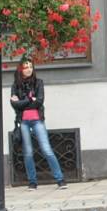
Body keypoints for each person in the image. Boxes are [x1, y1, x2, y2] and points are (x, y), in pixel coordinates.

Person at [10, 59, 66, 190]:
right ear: (20, 70)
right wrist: (30, 99)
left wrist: (23, 101)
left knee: (46, 149)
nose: (29, 69)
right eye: (25, 67)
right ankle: (32, 182)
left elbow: (39, 102)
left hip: (37, 120)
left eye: (30, 67)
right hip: (23, 122)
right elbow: (14, 105)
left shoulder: (39, 83)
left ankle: (60, 179)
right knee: (28, 152)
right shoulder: (15, 86)